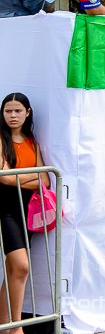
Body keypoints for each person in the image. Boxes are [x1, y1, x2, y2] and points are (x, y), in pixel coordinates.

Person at [0, 93, 50, 333]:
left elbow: (46, 181)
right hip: (5, 209)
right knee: (21, 266)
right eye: (8, 111)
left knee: (13, 270)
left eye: (17, 111)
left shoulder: (33, 142)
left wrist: (18, 177)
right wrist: (33, 177)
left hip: (26, 210)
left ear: (27, 112)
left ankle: (5, 325)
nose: (12, 115)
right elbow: (4, 178)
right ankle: (17, 327)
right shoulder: (1, 140)